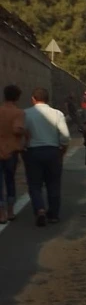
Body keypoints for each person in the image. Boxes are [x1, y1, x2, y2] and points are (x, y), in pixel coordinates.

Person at [23, 87, 70, 227]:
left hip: (33, 152)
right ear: (48, 99)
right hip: (53, 151)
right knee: (53, 183)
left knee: (34, 184)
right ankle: (54, 214)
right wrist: (62, 150)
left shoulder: (26, 113)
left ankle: (40, 209)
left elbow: (22, 133)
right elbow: (65, 137)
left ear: (33, 99)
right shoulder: (58, 114)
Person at [0, 85, 25, 224]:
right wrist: (24, 133)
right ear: (17, 97)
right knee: (10, 181)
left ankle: (1, 212)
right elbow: (17, 129)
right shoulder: (18, 113)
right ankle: (10, 211)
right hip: (11, 151)